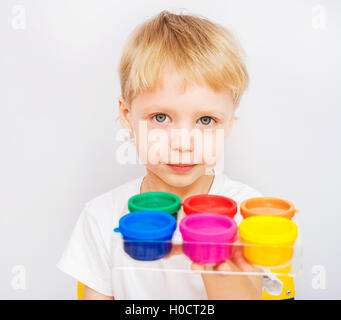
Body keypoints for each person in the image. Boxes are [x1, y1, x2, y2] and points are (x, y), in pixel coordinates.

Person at [57, 10, 270, 300]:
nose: (183, 144)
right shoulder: (102, 217)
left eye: (206, 120)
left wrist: (219, 262)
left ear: (229, 124)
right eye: (160, 117)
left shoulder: (249, 217)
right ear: (126, 114)